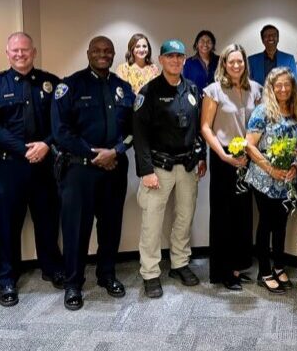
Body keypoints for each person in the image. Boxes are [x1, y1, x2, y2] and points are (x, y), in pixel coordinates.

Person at [0, 32, 64, 307]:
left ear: (34, 52)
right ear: (7, 53)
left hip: (44, 165)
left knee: (48, 220)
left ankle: (52, 268)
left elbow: (63, 122)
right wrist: (24, 148)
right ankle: (7, 279)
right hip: (9, 166)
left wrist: (47, 145)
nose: (20, 54)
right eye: (14, 50)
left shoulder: (51, 83)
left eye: (25, 50)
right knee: (8, 225)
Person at [51, 36, 135, 311]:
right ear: (88, 53)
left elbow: (134, 130)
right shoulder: (70, 86)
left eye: (107, 51)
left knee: (111, 226)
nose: (102, 55)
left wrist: (117, 150)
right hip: (79, 170)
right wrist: (94, 155)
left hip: (115, 168)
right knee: (76, 229)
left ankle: (106, 274)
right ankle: (73, 283)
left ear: (113, 55)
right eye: (97, 50)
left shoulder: (122, 88)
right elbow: (61, 131)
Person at [133, 39, 207, 299]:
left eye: (179, 57)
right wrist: (146, 171)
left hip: (187, 166)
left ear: (184, 60)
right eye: (170, 57)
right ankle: (150, 272)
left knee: (184, 217)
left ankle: (179, 263)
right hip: (159, 167)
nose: (175, 61)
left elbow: (198, 129)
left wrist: (201, 157)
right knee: (152, 222)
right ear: (162, 60)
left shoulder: (193, 89)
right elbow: (139, 135)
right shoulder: (149, 92)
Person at [201, 44, 262, 290]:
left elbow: (258, 124)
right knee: (223, 215)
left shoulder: (255, 89)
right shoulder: (213, 90)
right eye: (231, 61)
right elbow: (205, 127)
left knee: (243, 214)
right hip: (223, 156)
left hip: (246, 156)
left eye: (240, 61)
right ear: (224, 63)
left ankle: (237, 267)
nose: (236, 65)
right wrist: (224, 157)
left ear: (245, 64)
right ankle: (222, 271)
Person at [245, 67, 297, 294]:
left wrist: (296, 167)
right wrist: (270, 168)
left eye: (287, 84)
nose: (283, 89)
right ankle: (265, 271)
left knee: (281, 225)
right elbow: (249, 145)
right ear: (271, 86)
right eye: (278, 85)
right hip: (264, 177)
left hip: (287, 178)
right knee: (266, 223)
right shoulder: (262, 111)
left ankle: (279, 266)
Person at [183, 30, 219, 94]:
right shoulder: (188, 63)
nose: (205, 44)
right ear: (196, 44)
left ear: (213, 45)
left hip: (216, 100)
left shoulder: (220, 61)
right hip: (195, 100)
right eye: (202, 41)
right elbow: (185, 84)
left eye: (208, 42)